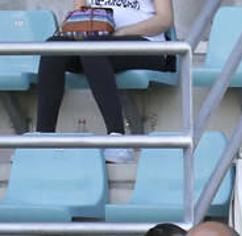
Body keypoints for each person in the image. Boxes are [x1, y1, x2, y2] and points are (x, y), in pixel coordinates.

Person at [36, 1, 176, 164]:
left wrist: (122, 33)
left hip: (145, 44)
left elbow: (165, 19)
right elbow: (80, 12)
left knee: (93, 46)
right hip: (96, 43)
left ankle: (117, 140)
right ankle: (42, 140)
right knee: (53, 48)